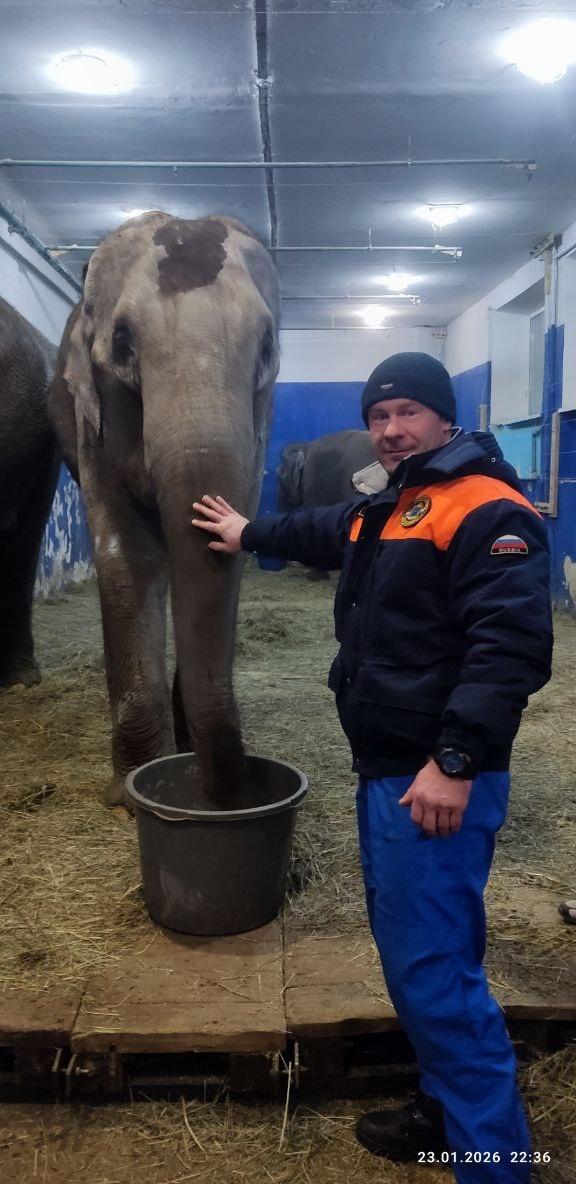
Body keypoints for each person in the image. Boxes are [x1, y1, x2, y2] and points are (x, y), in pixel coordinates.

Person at [192, 352, 552, 1183]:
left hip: (433, 779)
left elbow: (511, 649)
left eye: (408, 412)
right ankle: (443, 1113)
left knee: (433, 975)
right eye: (379, 416)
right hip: (389, 769)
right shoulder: (394, 504)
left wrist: (456, 759)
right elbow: (324, 529)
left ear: (445, 417)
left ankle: (498, 1165)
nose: (391, 430)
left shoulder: (486, 507)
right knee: (426, 952)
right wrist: (249, 532)